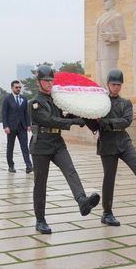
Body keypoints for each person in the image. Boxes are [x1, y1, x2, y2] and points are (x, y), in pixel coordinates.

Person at [84, 69, 136, 227]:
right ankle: (107, 212)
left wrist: (105, 122)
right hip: (107, 144)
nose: (116, 87)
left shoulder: (125, 103)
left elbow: (126, 121)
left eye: (119, 85)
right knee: (109, 178)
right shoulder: (99, 103)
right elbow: (94, 125)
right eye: (114, 84)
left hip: (123, 141)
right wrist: (88, 116)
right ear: (107, 84)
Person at [29, 65, 100, 234]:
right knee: (40, 184)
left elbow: (62, 117)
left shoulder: (57, 99)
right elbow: (50, 120)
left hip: (57, 142)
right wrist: (72, 123)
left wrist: (81, 113)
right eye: (45, 80)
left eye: (50, 80)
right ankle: (40, 220)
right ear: (38, 82)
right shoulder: (35, 104)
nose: (49, 83)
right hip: (41, 145)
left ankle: (82, 201)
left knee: (70, 170)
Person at [1, 80, 32, 173]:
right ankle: (11, 165)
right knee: (10, 147)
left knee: (25, 147)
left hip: (22, 127)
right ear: (12, 88)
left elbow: (26, 113)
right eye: (16, 87)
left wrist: (28, 124)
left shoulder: (24, 98)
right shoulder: (7, 99)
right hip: (11, 127)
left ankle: (29, 166)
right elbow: (4, 113)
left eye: (19, 87)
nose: (18, 89)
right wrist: (5, 126)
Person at [95, 0, 126, 85]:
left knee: (108, 78)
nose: (103, 3)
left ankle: (113, 98)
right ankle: (103, 99)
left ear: (112, 2)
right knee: (100, 79)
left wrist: (109, 36)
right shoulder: (101, 17)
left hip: (109, 53)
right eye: (103, 1)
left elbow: (122, 34)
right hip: (99, 53)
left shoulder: (116, 16)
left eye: (106, 1)